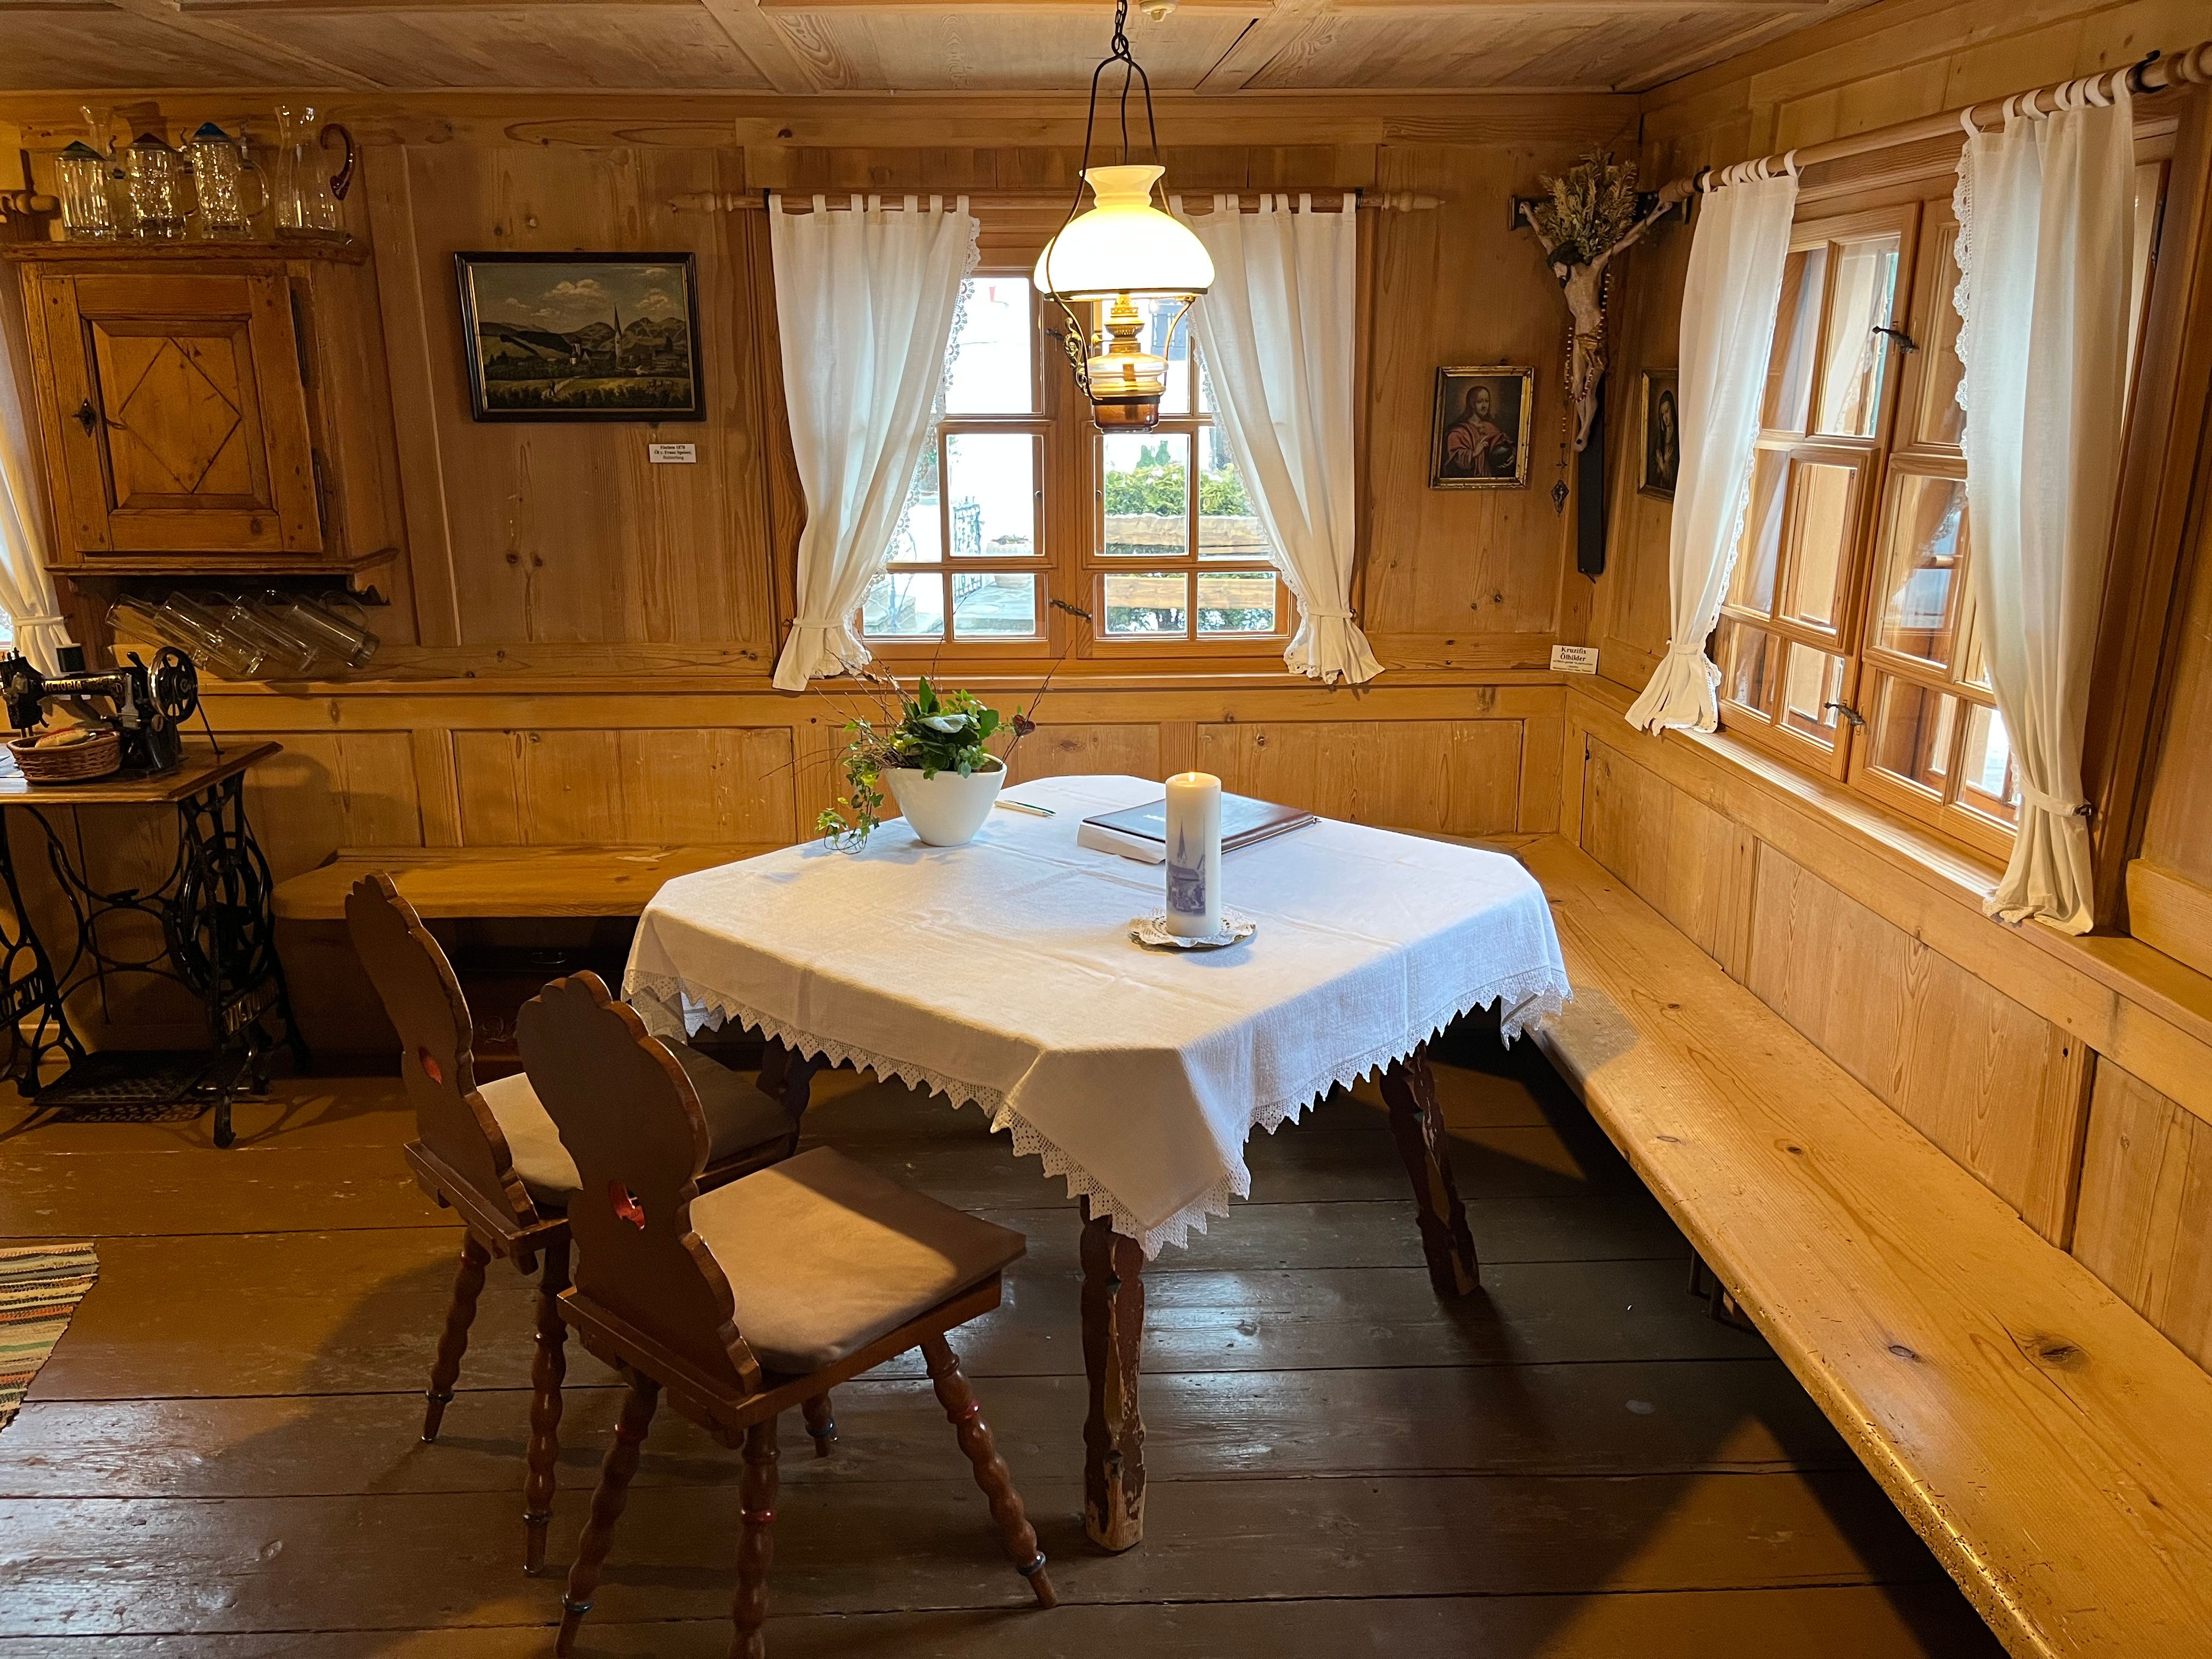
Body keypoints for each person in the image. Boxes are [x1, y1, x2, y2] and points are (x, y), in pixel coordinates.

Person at [1443, 383, 1515, 479]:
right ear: (1472, 404)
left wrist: (1512, 456)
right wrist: (1473, 454)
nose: (1484, 406)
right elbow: (1454, 459)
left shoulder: (1491, 428)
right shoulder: (1458, 432)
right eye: (1480, 401)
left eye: (1487, 401)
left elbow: (1505, 444)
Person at [1650, 387, 1679, 492]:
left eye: (1667, 412)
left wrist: (1663, 466)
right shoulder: (1660, 438)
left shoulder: (1678, 438)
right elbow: (1652, 464)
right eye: (1662, 414)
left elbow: (1676, 469)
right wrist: (1658, 466)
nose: (1665, 418)